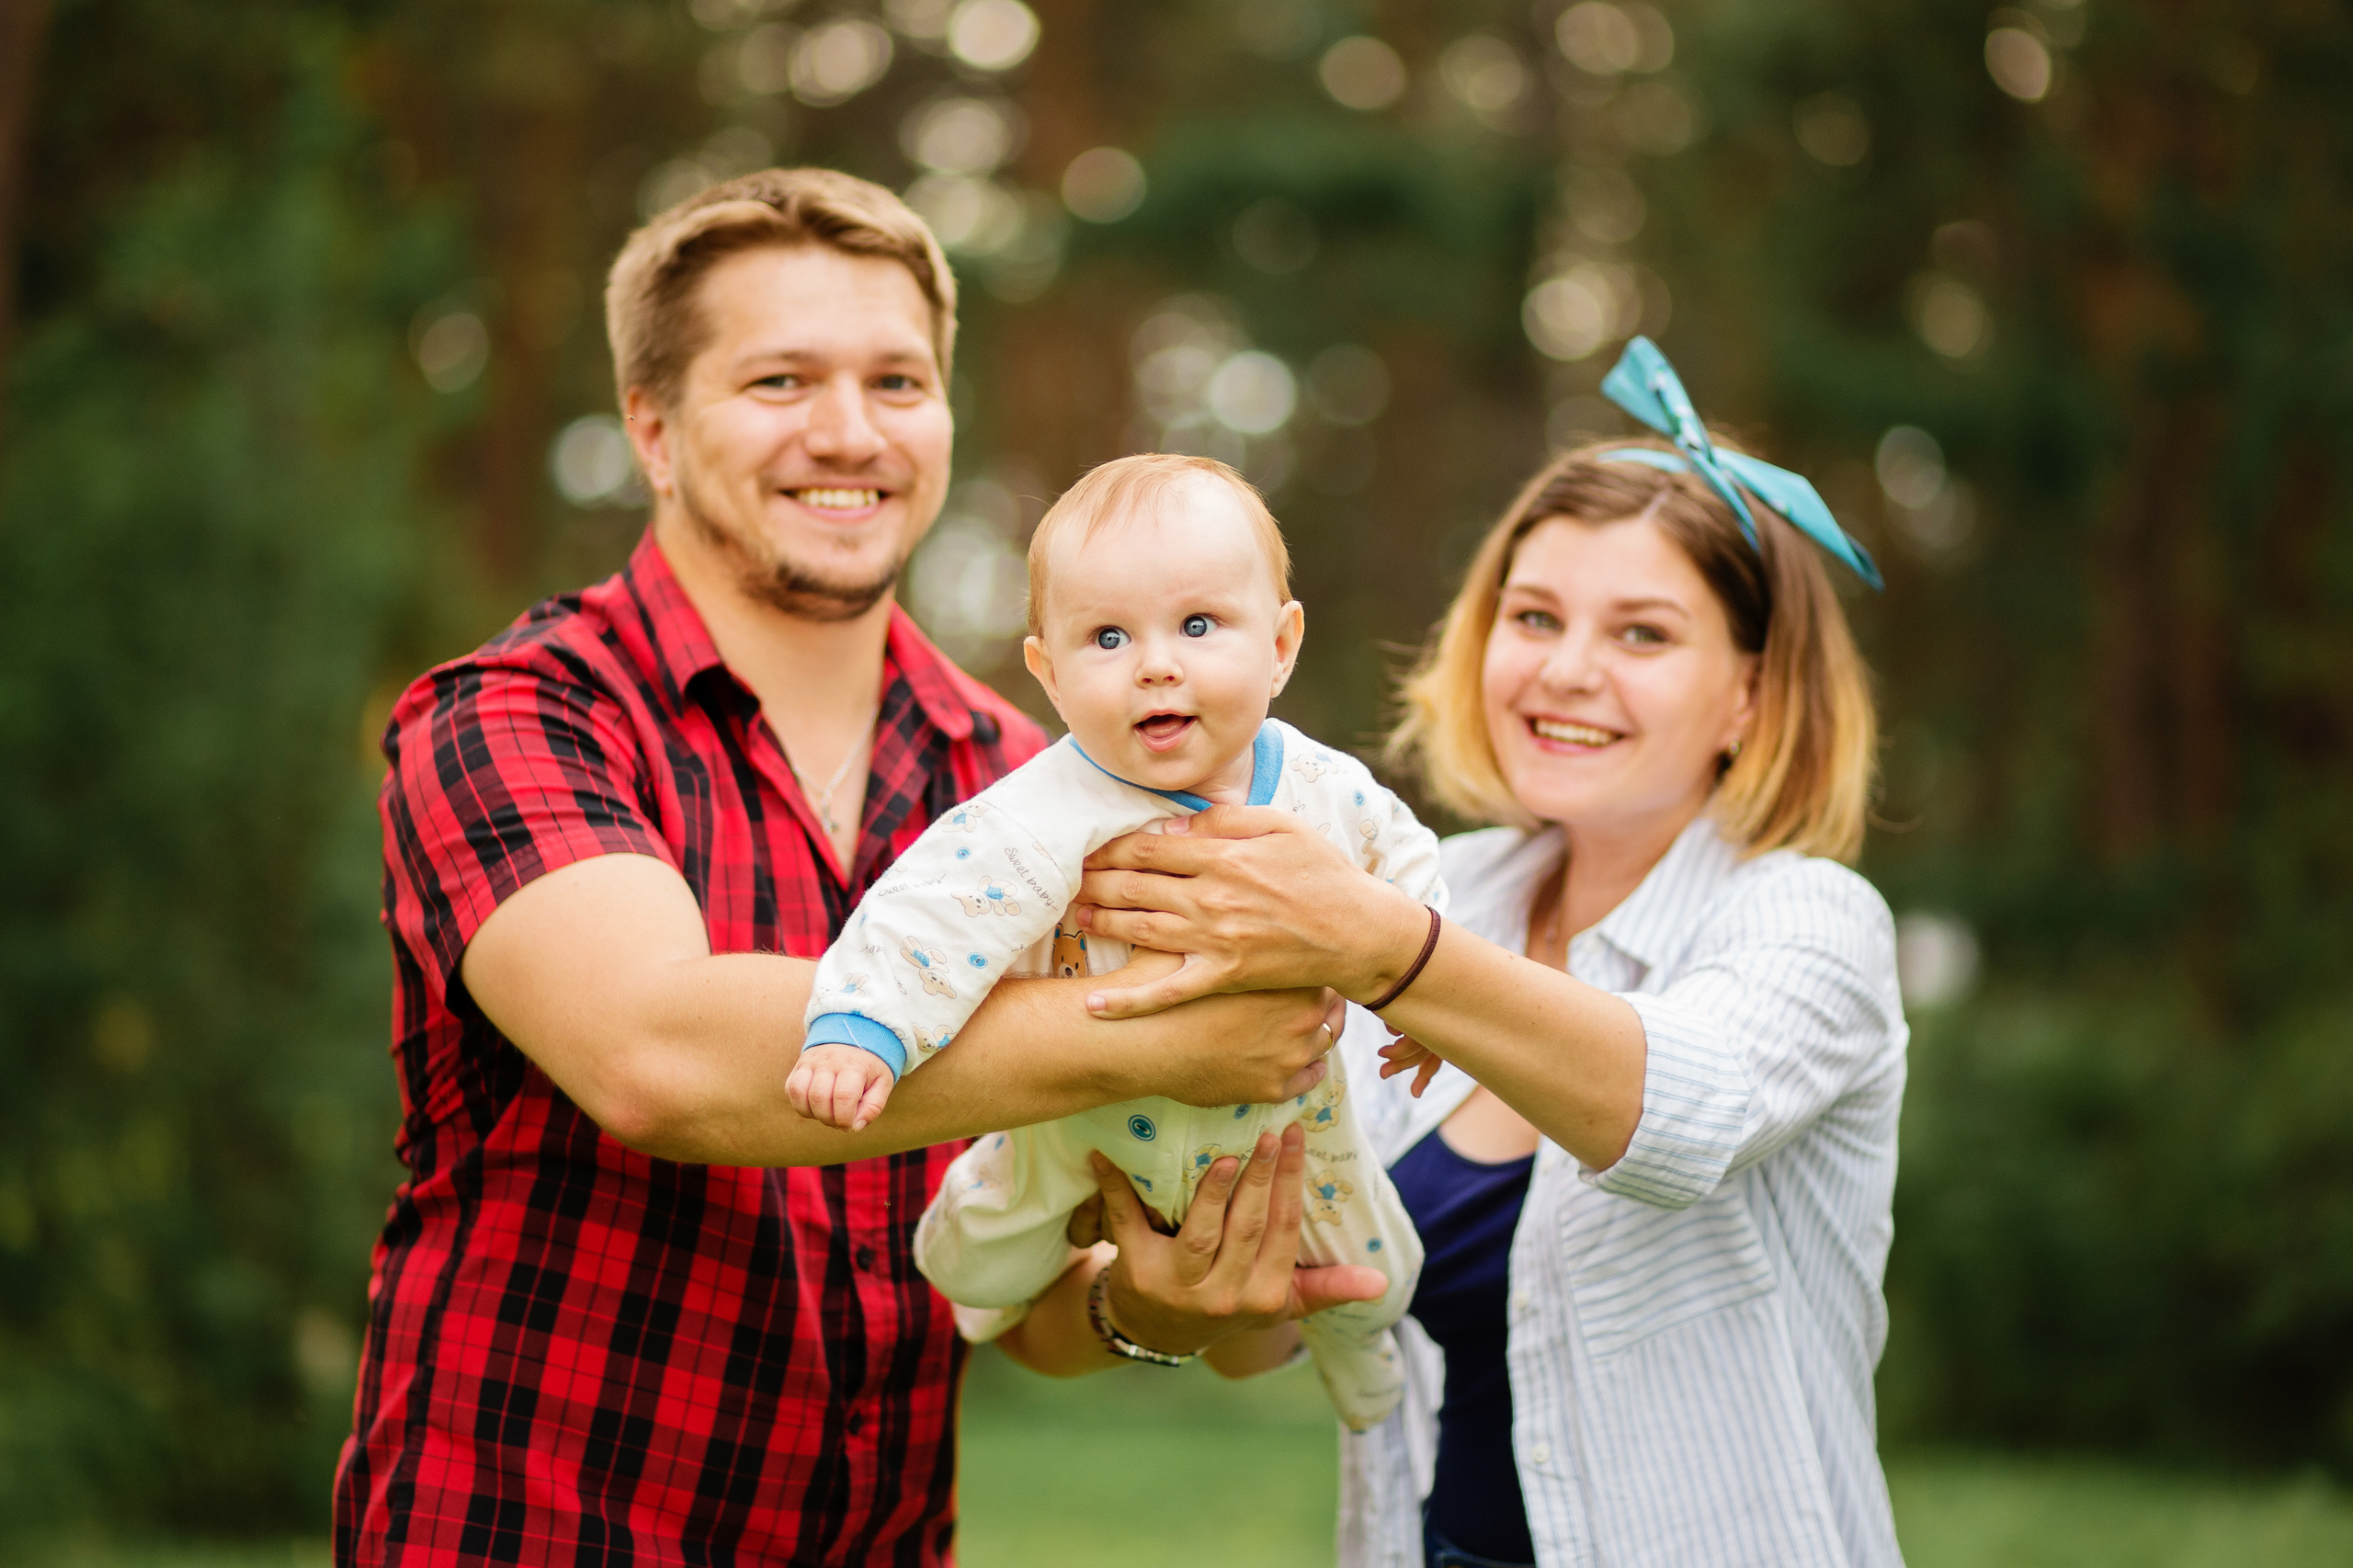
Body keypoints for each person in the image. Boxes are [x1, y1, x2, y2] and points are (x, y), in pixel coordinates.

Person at [332, 168, 1366, 1568]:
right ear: (652, 428)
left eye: (897, 380)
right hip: (530, 1530)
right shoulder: (514, 716)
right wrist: (1173, 1033)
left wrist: (1159, 1301)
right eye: (778, 380)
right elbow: (658, 1053)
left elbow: (1029, 1268)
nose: (849, 432)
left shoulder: (1025, 772)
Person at [1066, 339, 1909, 1568]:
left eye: (1643, 634)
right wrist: (1170, 1298)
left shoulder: (1810, 922)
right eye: (1535, 617)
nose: (1567, 670)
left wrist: (1374, 941)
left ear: (1750, 694)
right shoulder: (1442, 889)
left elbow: (1673, 1109)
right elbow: (1288, 1319)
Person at [788, 453, 1439, 1430]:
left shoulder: (1322, 788)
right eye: (1106, 636)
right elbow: (929, 907)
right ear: (1047, 670)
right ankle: (994, 1301)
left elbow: (1408, 865)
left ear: (1280, 644)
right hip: (1080, 1126)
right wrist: (859, 1027)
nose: (1156, 663)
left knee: (1378, 1272)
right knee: (970, 1257)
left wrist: (1426, 999)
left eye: (1199, 625)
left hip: (1284, 1132)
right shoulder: (1043, 808)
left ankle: (1358, 1364)